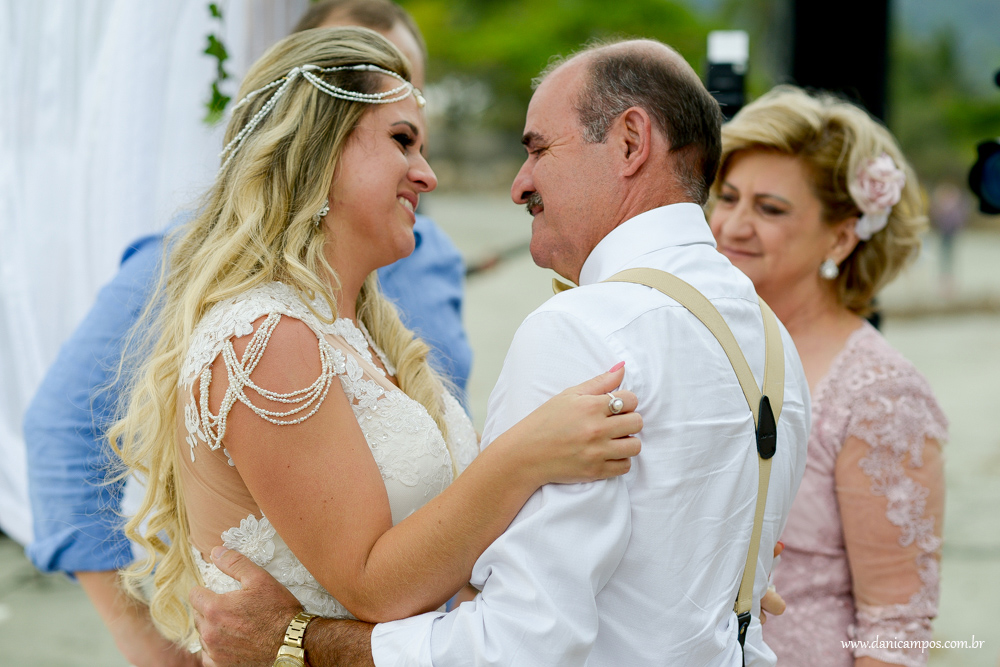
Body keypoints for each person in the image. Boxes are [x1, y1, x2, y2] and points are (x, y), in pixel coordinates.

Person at [190, 38, 812, 667]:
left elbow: (521, 644)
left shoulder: (582, 331)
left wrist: (297, 642)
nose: (518, 186)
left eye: (538, 148)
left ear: (630, 142)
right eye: (403, 142)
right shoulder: (771, 339)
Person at [113, 24, 643, 662]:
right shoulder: (264, 338)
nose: (428, 176)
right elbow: (373, 585)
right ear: (319, 148)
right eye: (402, 142)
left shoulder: (360, 336)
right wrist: (527, 454)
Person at [23, 3, 467, 665]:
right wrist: (155, 649)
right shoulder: (219, 291)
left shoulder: (428, 263)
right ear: (318, 123)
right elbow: (60, 431)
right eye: (398, 134)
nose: (424, 168)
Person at [707, 86, 947, 666]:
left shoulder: (882, 394)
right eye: (728, 197)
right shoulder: (697, 341)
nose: (733, 225)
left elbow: (896, 625)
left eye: (769, 209)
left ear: (840, 236)